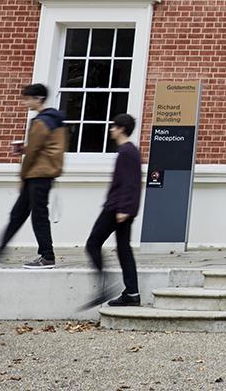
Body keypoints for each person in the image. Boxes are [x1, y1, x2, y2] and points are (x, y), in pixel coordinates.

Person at [0, 84, 66, 267]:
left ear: (38, 98)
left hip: (38, 174)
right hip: (41, 173)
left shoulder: (42, 121)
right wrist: (25, 148)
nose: (24, 102)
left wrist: (22, 177)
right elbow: (44, 147)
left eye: (27, 98)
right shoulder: (53, 120)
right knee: (18, 214)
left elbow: (33, 153)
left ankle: (47, 256)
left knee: (38, 215)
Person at [83, 114, 143, 309]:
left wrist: (124, 209)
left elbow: (130, 183)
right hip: (122, 207)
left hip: (116, 208)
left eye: (114, 127)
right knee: (124, 249)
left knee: (92, 243)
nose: (111, 130)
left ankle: (105, 287)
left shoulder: (127, 151)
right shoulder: (129, 150)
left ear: (121, 129)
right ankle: (132, 293)